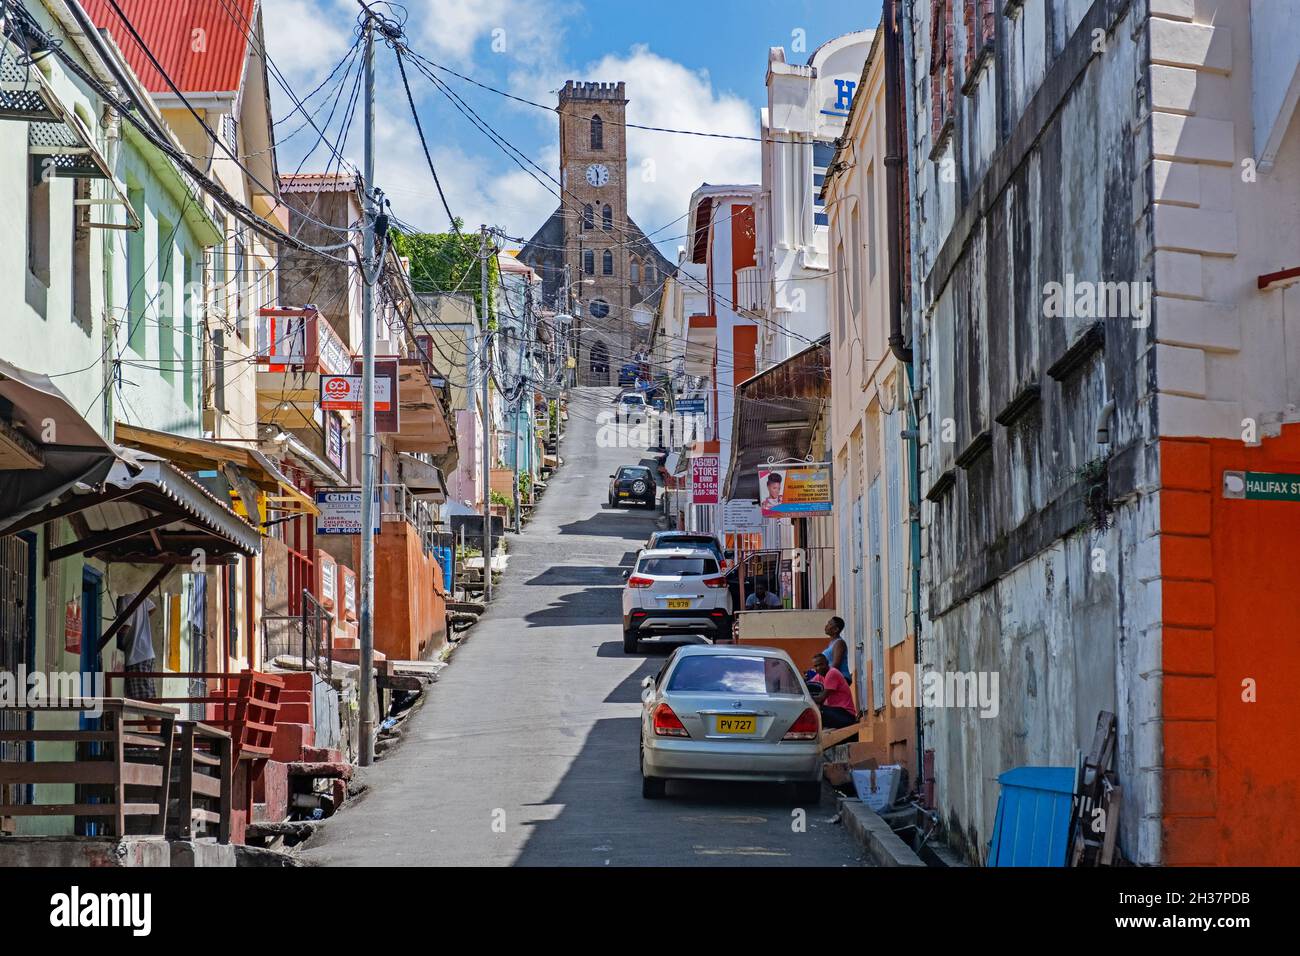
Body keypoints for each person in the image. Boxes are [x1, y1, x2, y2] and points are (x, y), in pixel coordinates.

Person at [809, 653, 856, 729]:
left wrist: (806, 698)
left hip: (847, 716)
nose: (818, 668)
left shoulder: (832, 673)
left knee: (816, 710)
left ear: (827, 663)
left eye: (821, 664)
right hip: (837, 712)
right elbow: (809, 685)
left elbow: (821, 699)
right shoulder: (821, 675)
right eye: (816, 666)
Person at [822, 616, 851, 682]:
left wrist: (825, 677)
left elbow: (836, 664)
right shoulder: (832, 643)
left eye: (830, 624)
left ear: (836, 629)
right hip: (832, 677)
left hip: (840, 677)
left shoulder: (839, 643)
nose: (826, 626)